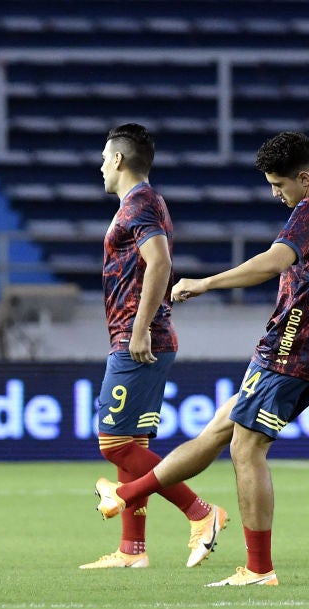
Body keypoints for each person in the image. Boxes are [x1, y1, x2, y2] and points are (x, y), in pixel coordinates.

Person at [93, 131, 309, 587]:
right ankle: (128, 494)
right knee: (219, 431)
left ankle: (259, 569)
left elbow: (272, 262)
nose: (277, 195)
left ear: (305, 177)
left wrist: (204, 284)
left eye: (280, 186)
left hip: (290, 349)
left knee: (246, 447)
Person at [79, 123, 228, 571]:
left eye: (106, 157)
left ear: (119, 160)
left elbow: (159, 262)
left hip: (138, 339)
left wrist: (140, 328)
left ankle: (202, 513)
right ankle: (132, 550)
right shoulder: (144, 202)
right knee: (132, 441)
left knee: (113, 444)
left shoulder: (140, 204)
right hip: (144, 336)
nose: (101, 165)